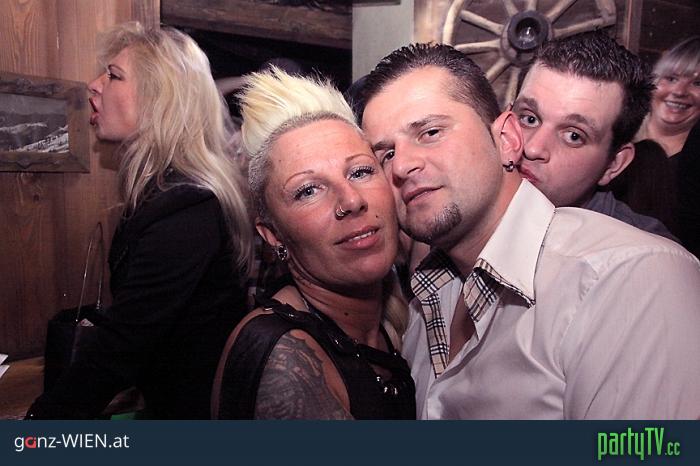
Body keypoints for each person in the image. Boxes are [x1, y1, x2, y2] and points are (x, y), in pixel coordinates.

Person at [360, 43, 700, 419]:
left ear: (504, 138)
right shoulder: (431, 290)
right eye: (386, 154)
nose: (534, 147)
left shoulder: (629, 275)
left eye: (431, 132)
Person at [26, 22, 253, 419]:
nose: (94, 85)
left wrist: (34, 431)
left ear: (158, 99)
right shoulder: (165, 193)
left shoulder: (187, 207)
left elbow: (122, 344)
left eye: (113, 76)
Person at [211, 67, 415, 419]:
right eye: (308, 190)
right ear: (273, 235)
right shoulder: (286, 360)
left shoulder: (400, 318)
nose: (351, 200)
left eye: (360, 171)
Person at [512, 32, 674, 240]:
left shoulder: (642, 253)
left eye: (573, 136)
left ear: (613, 164)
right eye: (529, 119)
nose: (532, 148)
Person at [612, 36, 700, 257]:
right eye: (671, 78)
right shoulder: (614, 133)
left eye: (697, 83)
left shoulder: (693, 167)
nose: (679, 91)